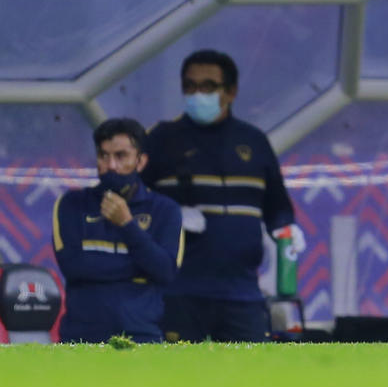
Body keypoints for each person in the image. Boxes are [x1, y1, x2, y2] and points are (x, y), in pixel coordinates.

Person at [143, 49, 305, 342]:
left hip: (242, 293)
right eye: (190, 87)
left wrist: (286, 227)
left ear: (231, 92)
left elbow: (277, 205)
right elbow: (130, 202)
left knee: (249, 381)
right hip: (178, 292)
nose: (197, 94)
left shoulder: (254, 142)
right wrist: (168, 213)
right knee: (173, 382)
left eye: (207, 86)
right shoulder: (161, 139)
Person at [52, 118, 183, 343]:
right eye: (104, 156)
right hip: (80, 340)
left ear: (140, 162)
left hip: (142, 339)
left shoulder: (165, 210)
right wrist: (140, 270)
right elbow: (74, 267)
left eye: (121, 156)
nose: (111, 165)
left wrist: (127, 225)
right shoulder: (71, 204)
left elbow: (165, 271)